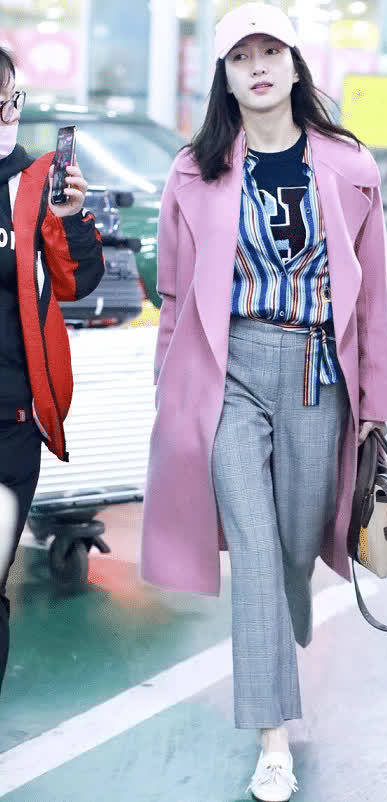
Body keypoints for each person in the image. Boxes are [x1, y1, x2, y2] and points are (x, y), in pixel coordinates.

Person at [142, 3, 387, 799]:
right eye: (240, 57)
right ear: (224, 78)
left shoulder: (348, 167)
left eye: (270, 52)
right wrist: (172, 394)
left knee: (296, 540)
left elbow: (373, 298)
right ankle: (271, 738)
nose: (257, 67)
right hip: (227, 373)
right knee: (255, 554)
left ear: (294, 66)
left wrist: (376, 396)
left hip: (316, 372)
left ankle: (289, 598)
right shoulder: (193, 172)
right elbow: (174, 293)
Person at [0, 49, 104, 692]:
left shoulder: (35, 184)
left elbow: (78, 282)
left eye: (8, 99)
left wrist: (71, 222)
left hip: (9, 423)